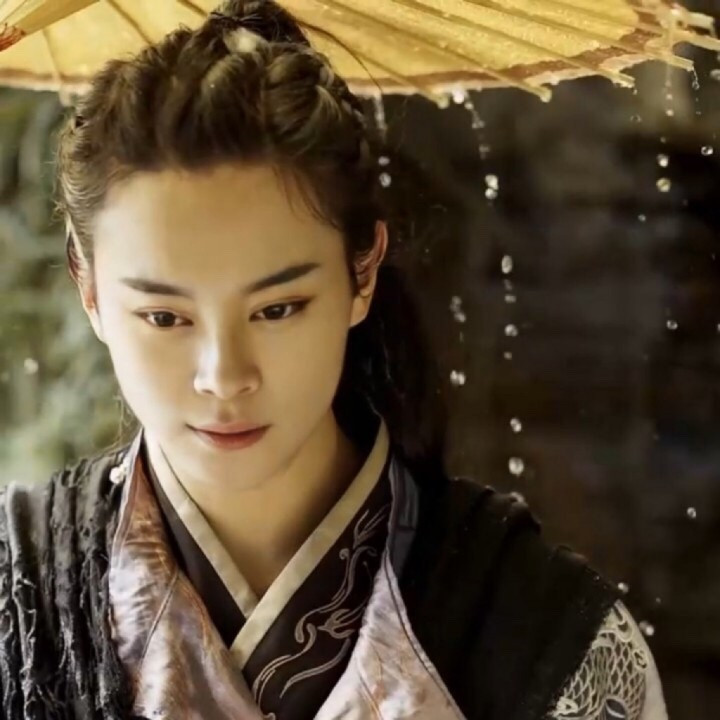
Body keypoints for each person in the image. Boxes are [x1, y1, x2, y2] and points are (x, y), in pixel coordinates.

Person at [0, 1, 667, 718]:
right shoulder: (18, 597)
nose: (224, 376)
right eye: (164, 317)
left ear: (362, 272)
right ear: (89, 290)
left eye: (278, 309)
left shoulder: (548, 639)